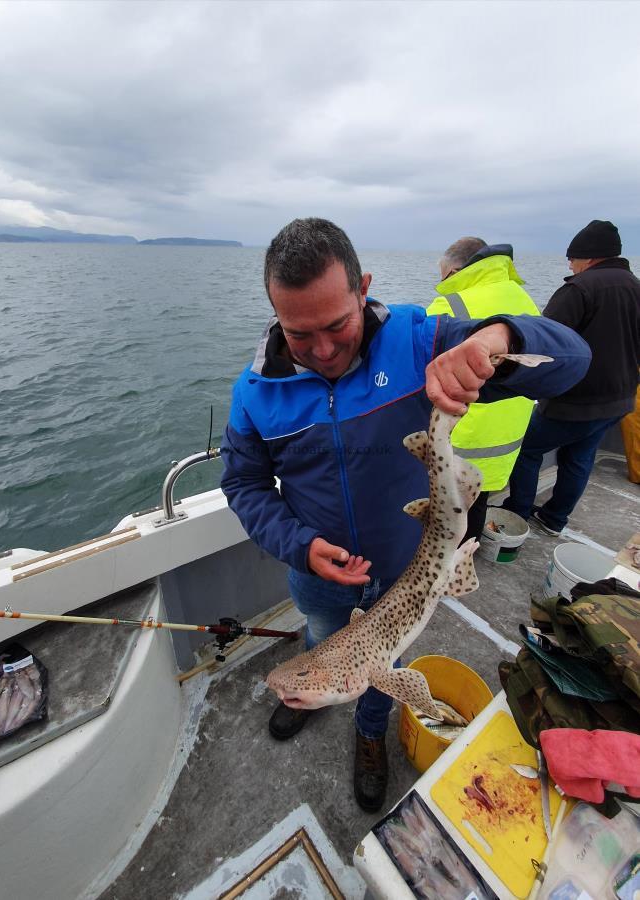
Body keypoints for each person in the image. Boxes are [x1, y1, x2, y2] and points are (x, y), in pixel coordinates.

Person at [220, 217, 590, 812]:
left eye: (337, 324)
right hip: (316, 575)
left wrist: (493, 341)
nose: (322, 351)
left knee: (382, 673)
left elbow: (573, 360)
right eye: (298, 333)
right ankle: (314, 693)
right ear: (272, 313)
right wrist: (298, 544)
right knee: (320, 639)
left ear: (362, 288)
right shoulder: (255, 391)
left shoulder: (419, 341)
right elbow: (243, 482)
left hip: (408, 565)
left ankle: (369, 730)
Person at [502, 219, 640, 535]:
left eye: (572, 258)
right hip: (620, 399)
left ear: (589, 258)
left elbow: (542, 341)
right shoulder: (636, 287)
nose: (570, 264)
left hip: (575, 402)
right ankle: (554, 518)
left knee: (528, 450)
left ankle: (518, 513)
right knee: (580, 456)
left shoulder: (578, 289)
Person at [426, 237, 541, 542]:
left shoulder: (449, 303)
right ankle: (464, 570)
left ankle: (446, 580)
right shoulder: (522, 297)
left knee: (442, 524)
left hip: (462, 442)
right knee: (475, 511)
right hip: (507, 438)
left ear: (453, 272)